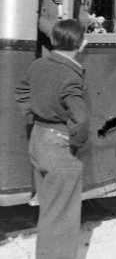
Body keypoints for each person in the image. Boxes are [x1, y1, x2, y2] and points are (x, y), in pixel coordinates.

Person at [14, 19, 90, 259]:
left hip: (38, 138)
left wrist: (34, 115)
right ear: (81, 44)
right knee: (63, 215)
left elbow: (22, 92)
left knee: (49, 211)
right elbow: (81, 118)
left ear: (54, 40)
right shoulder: (71, 75)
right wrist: (74, 142)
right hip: (60, 145)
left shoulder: (38, 65)